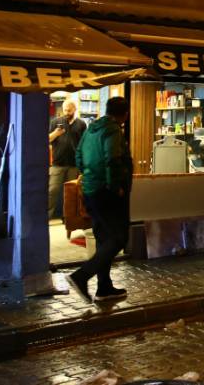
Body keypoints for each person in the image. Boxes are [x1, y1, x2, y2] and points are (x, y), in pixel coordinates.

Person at [67, 96, 132, 302]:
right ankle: (81, 276)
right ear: (125, 114)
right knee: (118, 238)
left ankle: (104, 287)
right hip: (107, 192)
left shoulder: (91, 129)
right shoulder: (113, 130)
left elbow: (78, 155)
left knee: (103, 238)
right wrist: (115, 187)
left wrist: (88, 175)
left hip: (91, 190)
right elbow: (112, 159)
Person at [48, 98, 86, 220]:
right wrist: (56, 133)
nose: (67, 113)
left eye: (69, 110)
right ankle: (46, 217)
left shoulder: (81, 124)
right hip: (57, 163)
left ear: (75, 109)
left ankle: (68, 218)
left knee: (71, 193)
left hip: (74, 164)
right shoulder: (55, 122)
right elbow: (47, 139)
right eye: (65, 110)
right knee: (52, 191)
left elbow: (84, 144)